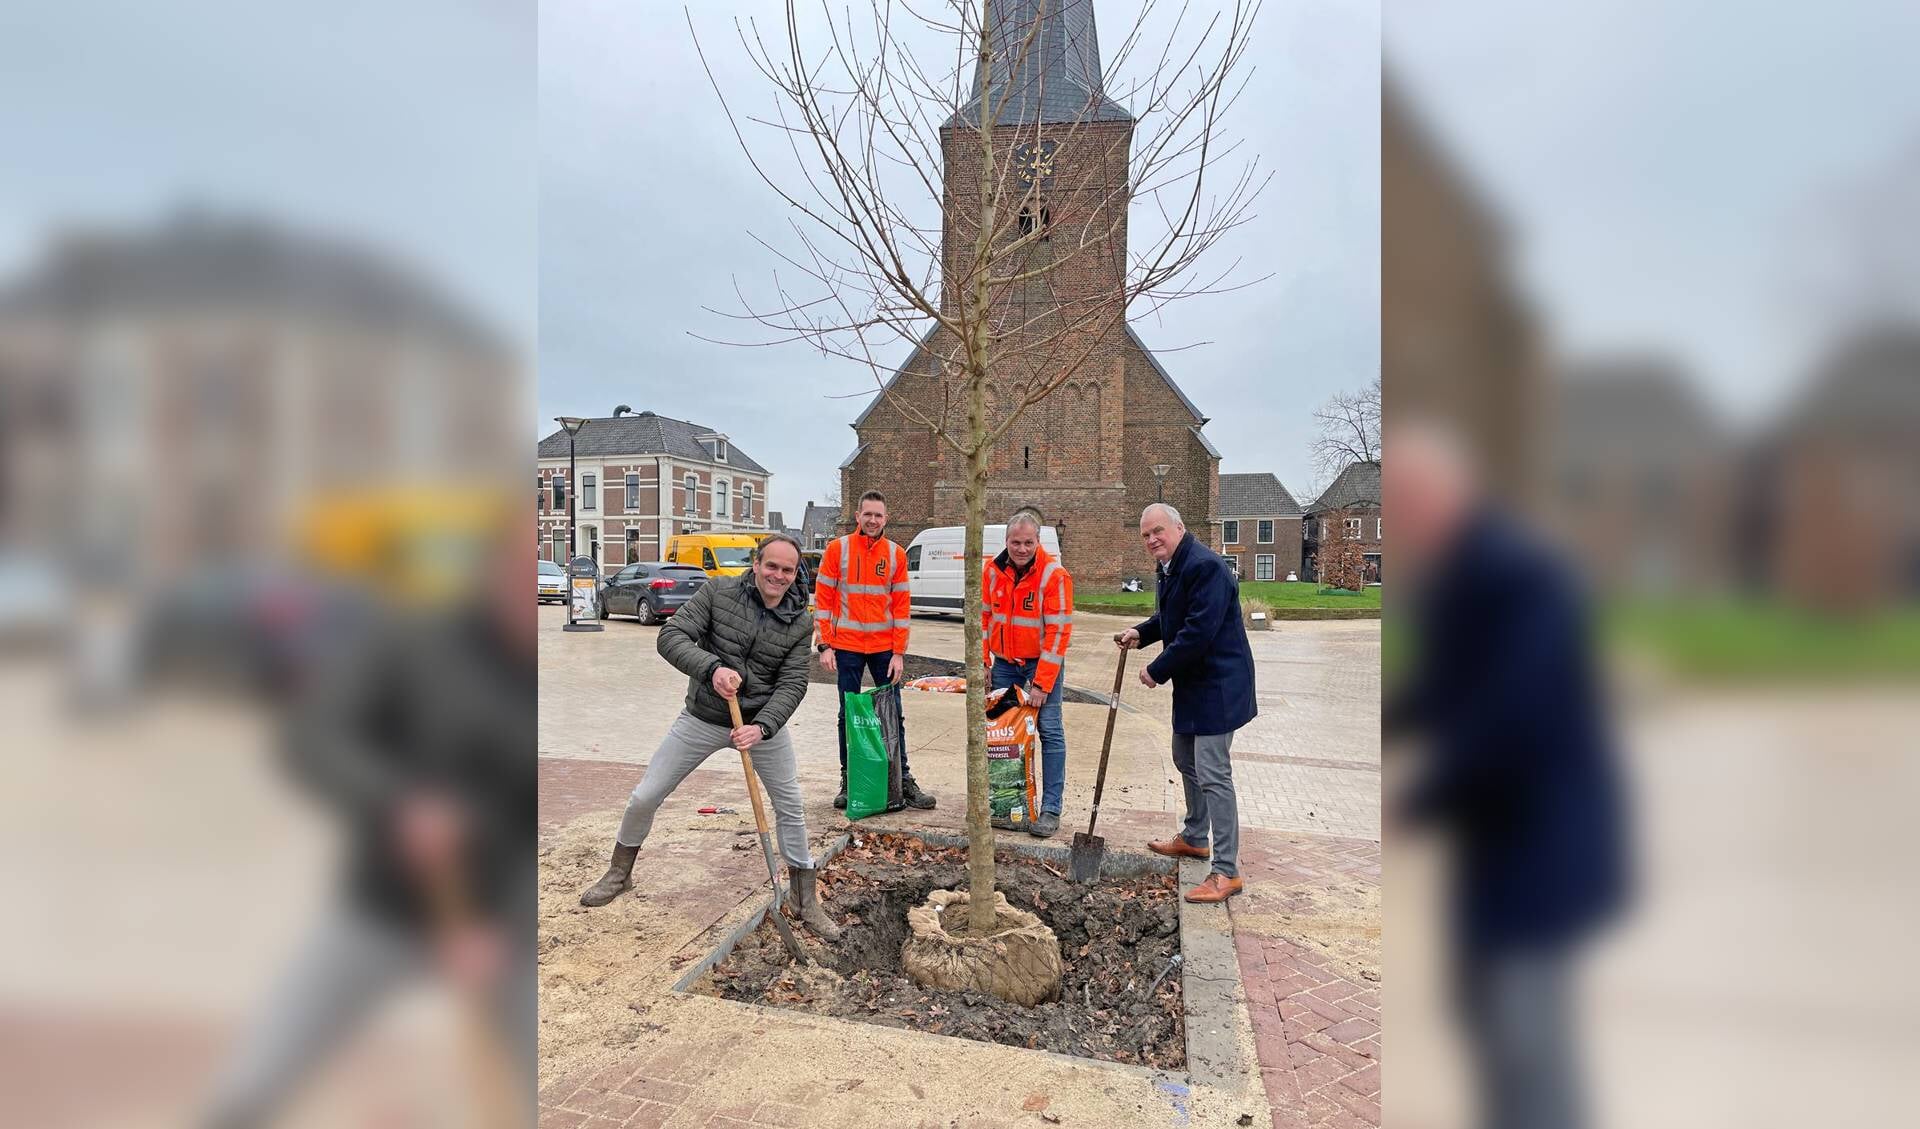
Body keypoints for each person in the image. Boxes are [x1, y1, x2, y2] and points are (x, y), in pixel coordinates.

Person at [199, 536, 535, 1129]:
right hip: (381, 908)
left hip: (500, 928)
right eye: (518, 573)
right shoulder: (413, 644)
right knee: (263, 1076)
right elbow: (313, 737)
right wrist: (397, 801)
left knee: (522, 1089)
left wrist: (495, 922)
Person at [1386, 424, 1628, 1129]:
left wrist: (1420, 798)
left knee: (1531, 1040)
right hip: (1492, 847)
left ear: (1451, 493)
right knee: (1487, 1025)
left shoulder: (1523, 573)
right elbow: (1440, 684)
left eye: (1406, 502)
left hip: (1544, 845)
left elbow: (1514, 715)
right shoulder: (1456, 576)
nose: (1399, 522)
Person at [578, 532, 839, 940]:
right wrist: (712, 668)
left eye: (788, 570)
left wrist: (763, 727)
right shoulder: (718, 592)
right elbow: (671, 636)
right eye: (771, 566)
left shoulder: (800, 620)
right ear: (756, 564)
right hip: (704, 715)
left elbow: (792, 684)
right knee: (646, 795)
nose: (779, 575)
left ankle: (804, 900)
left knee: (791, 806)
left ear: (795, 574)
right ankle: (619, 872)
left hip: (760, 725)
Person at [1115, 502, 1255, 904]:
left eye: (1157, 530)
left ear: (1178, 527)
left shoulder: (1205, 566)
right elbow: (1170, 617)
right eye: (1145, 535)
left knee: (1213, 772)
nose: (1152, 540)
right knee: (1184, 757)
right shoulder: (1173, 566)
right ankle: (1195, 836)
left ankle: (1226, 871)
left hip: (1220, 687)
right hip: (1196, 685)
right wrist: (1140, 633)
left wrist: (1156, 669)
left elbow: (1197, 632)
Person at [814, 490, 935, 810]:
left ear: (886, 518)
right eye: (867, 514)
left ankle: (902, 779)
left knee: (892, 714)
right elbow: (823, 601)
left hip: (884, 650)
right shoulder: (837, 550)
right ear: (857, 516)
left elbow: (901, 608)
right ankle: (849, 778)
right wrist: (824, 643)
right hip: (847, 648)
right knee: (848, 714)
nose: (872, 520)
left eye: (878, 515)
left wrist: (899, 652)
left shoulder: (895, 555)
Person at [981, 508, 1073, 837]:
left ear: (1038, 541)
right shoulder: (991, 572)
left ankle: (1050, 809)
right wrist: (983, 664)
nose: (1021, 549)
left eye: (1028, 543)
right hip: (1005, 665)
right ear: (1006, 541)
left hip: (1039, 664)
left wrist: (1042, 683)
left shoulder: (1054, 576)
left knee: (1048, 730)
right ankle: (1007, 803)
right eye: (1016, 542)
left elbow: (1058, 633)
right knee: (1004, 734)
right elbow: (983, 620)